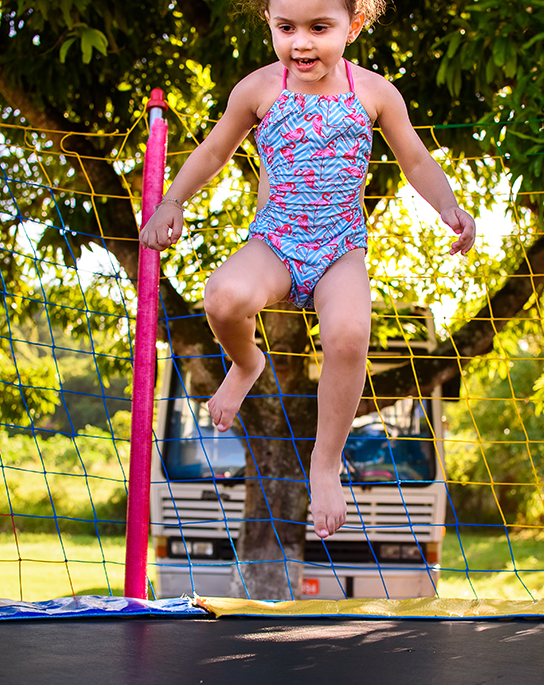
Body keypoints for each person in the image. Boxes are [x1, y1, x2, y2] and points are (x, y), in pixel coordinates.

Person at [139, 0, 475, 538]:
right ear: (269, 23)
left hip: (340, 247)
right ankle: (246, 365)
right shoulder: (257, 90)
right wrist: (173, 201)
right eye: (286, 27)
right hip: (275, 241)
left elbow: (415, 159)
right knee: (222, 297)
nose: (301, 43)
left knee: (348, 337)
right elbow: (211, 153)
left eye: (319, 28)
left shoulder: (373, 93)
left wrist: (448, 206)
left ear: (353, 26)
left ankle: (324, 464)